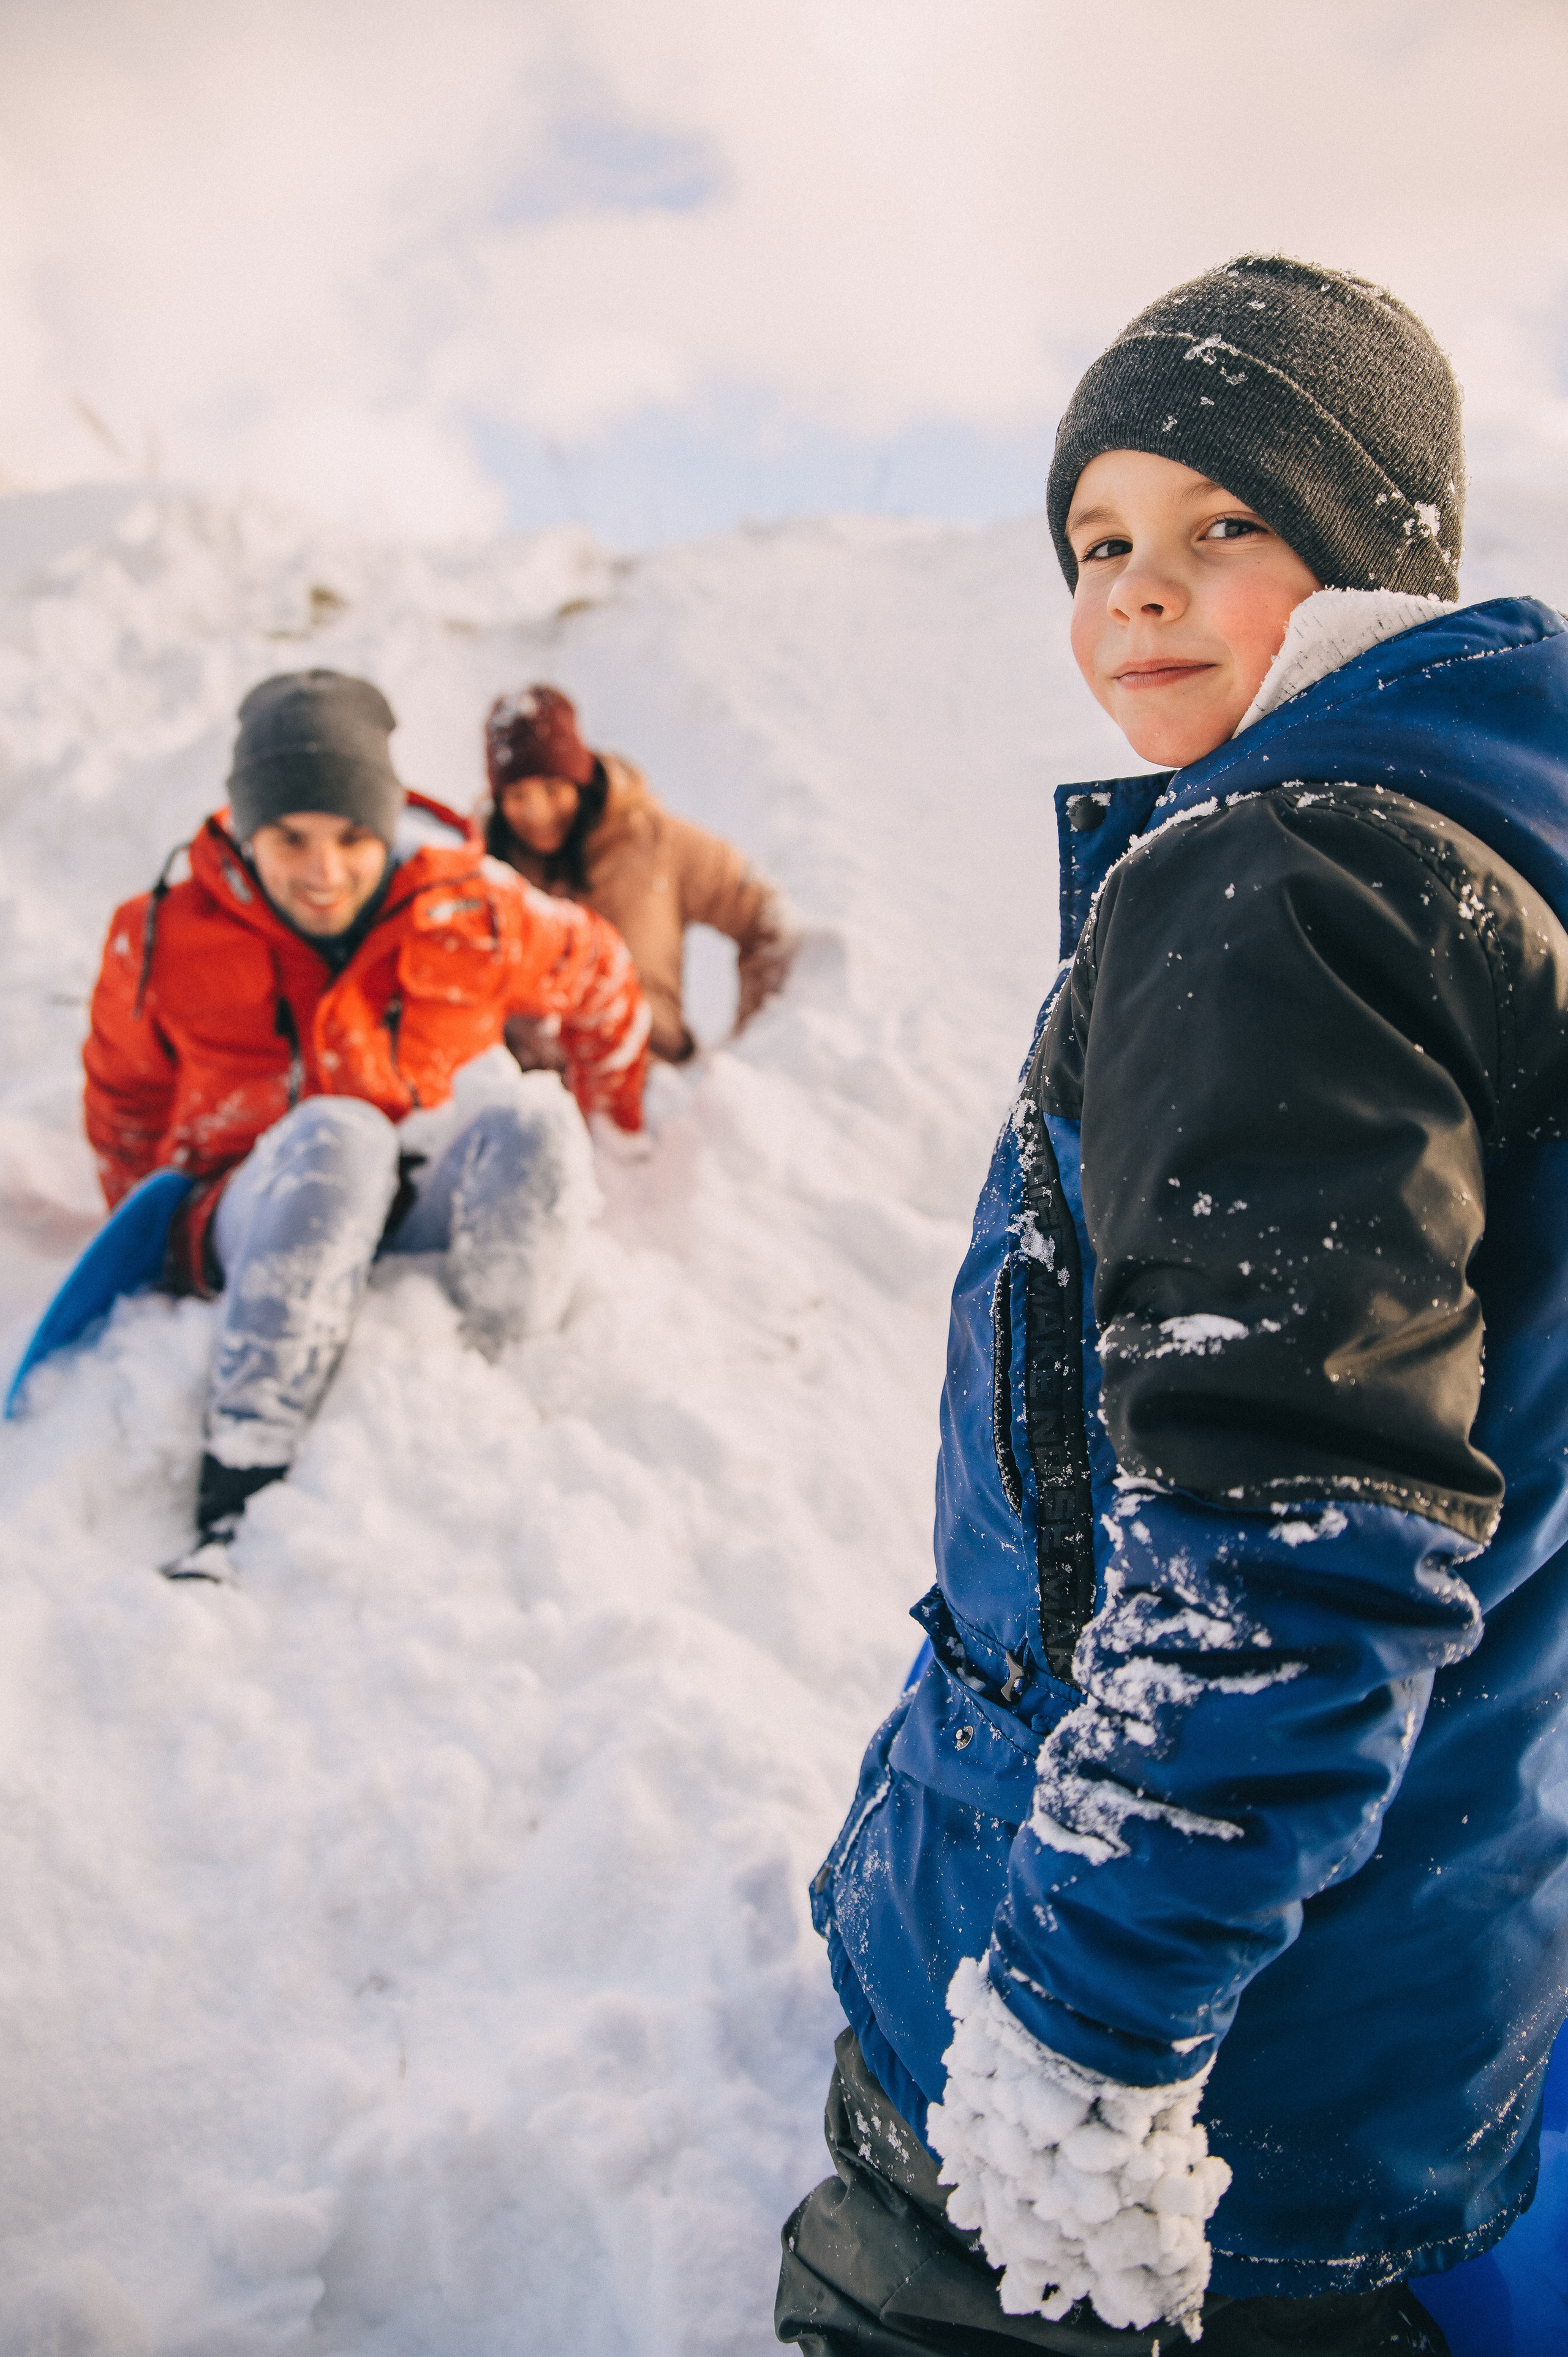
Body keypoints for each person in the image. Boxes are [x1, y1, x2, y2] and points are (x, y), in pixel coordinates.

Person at [778, 257, 1568, 2355]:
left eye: (1225, 525)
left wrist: (1079, 2030)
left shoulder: (1276, 881)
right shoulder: (1495, 858)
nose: (1139, 588)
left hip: (1189, 2047)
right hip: (1409, 1983)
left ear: (1373, 558)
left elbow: (1289, 1542)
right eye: (1099, 538)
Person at [85, 668, 649, 1579]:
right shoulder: (159, 937)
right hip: (253, 1210)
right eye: (290, 838)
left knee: (536, 1120)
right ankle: (241, 1480)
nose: (324, 869)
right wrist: (144, 1225)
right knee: (339, 1134)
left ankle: (502, 1400)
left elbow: (605, 975)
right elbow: (125, 1100)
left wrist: (618, 1128)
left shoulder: (473, 907)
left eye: (352, 836)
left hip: (419, 1193)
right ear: (243, 825)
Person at [481, 684, 797, 1065]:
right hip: (534, 1098)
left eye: (553, 789)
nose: (538, 813)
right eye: (518, 796)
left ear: (580, 782)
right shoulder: (483, 864)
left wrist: (756, 1047)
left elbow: (766, 915)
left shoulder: (652, 841)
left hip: (652, 1090)